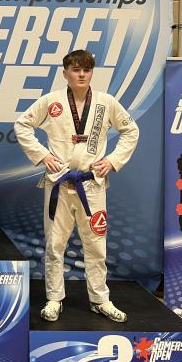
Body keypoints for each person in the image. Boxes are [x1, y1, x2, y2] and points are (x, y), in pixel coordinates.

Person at [14, 49, 138, 322]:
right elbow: (22, 125)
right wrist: (43, 155)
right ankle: (54, 298)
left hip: (91, 185)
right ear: (65, 73)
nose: (81, 74)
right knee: (54, 245)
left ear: (92, 73)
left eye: (86, 70)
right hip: (58, 183)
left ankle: (100, 299)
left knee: (96, 246)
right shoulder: (52, 101)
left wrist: (113, 160)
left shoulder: (106, 102)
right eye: (76, 69)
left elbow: (131, 130)